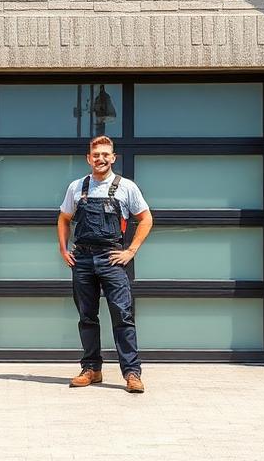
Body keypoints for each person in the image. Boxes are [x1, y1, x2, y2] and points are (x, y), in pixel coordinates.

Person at [57, 135, 153, 393]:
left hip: (112, 258)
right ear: (89, 158)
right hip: (83, 259)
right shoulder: (77, 187)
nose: (100, 159)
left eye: (105, 154)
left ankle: (132, 373)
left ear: (113, 157)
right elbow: (64, 218)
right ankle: (91, 369)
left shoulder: (126, 187)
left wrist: (130, 251)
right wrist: (63, 249)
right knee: (87, 316)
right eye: (96, 155)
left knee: (123, 315)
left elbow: (146, 219)